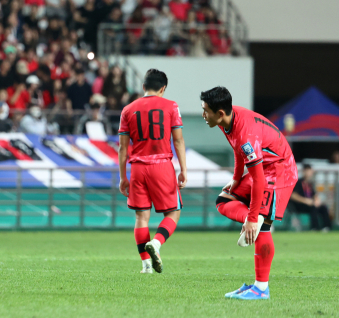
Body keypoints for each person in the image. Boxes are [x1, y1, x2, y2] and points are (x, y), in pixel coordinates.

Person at [201, 86, 298, 300]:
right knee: (223, 200)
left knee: (262, 226)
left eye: (205, 111)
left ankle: (261, 289)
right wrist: (236, 178)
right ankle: (250, 219)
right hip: (264, 169)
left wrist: (254, 218)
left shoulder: (246, 134)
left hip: (278, 170)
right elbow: (237, 150)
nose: (203, 115)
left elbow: (259, 179)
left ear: (220, 113)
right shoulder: (227, 119)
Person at [118, 69, 187, 274]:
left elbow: (123, 148)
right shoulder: (171, 106)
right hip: (162, 166)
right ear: (163, 88)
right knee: (174, 212)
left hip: (138, 168)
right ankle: (156, 243)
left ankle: (145, 265)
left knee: (141, 217)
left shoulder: (128, 110)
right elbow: (178, 140)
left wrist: (123, 177)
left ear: (143, 87)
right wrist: (183, 169)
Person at [290, 164, 332, 231]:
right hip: (299, 205)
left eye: (310, 171)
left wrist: (317, 201)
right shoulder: (298, 182)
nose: (309, 173)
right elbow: (293, 195)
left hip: (310, 204)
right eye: (308, 171)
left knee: (323, 207)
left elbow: (314, 195)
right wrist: (306, 201)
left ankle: (327, 227)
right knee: (313, 208)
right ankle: (314, 228)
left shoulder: (310, 184)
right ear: (304, 171)